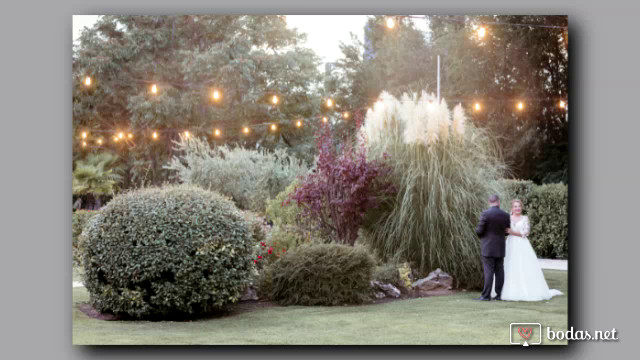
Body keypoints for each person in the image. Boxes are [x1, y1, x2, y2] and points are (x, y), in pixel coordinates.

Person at [493, 199, 563, 301]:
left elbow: (526, 233)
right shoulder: (508, 218)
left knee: (524, 265)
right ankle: (503, 290)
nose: (517, 208)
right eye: (515, 206)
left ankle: (525, 290)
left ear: (521, 208)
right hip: (510, 244)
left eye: (519, 206)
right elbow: (504, 230)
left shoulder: (525, 218)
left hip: (522, 244)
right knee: (509, 264)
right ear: (512, 208)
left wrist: (513, 232)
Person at [474, 194, 511, 301]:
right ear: (498, 202)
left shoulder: (485, 213)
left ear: (489, 202)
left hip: (488, 246)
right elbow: (507, 231)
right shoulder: (505, 215)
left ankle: (486, 296)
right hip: (500, 246)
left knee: (489, 271)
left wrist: (482, 236)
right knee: (500, 271)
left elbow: (479, 230)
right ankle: (499, 295)